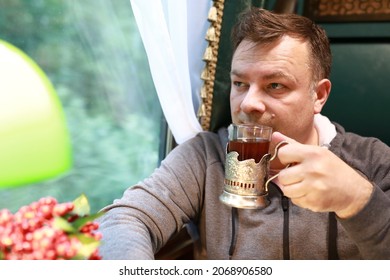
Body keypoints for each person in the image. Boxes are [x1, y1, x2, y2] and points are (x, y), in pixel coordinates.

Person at [97, 8, 390, 260]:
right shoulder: (205, 157)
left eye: (275, 85)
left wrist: (358, 200)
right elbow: (125, 218)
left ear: (319, 95)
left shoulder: (373, 160)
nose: (248, 103)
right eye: (240, 84)